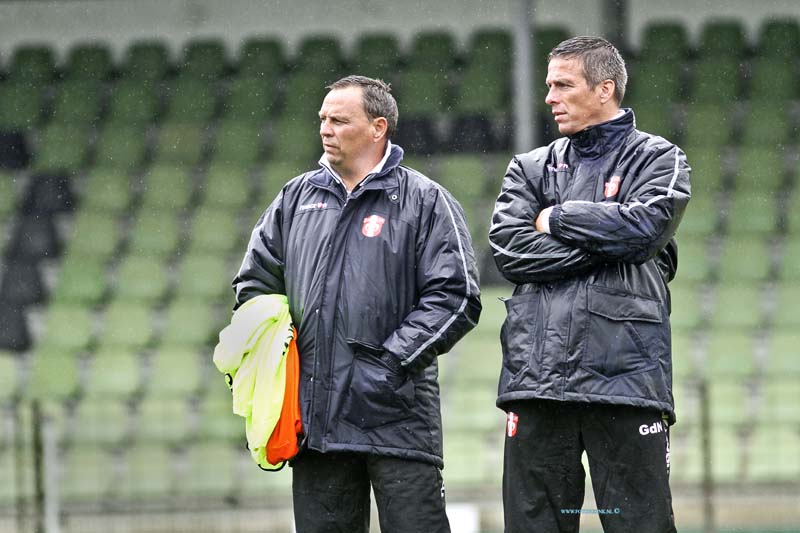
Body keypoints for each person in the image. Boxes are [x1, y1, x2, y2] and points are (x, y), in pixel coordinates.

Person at [233, 75, 481, 533]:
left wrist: (387, 364)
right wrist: (279, 352)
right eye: (322, 119)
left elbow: (457, 296)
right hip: (316, 422)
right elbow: (253, 285)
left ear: (377, 127)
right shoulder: (294, 198)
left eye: (339, 120)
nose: (325, 129)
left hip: (397, 419)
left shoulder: (425, 200)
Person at [489, 37, 690, 532]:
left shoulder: (660, 158)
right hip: (537, 381)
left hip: (626, 380)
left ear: (605, 89)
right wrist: (607, 238)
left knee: (637, 524)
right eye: (548, 85)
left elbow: (644, 231)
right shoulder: (530, 166)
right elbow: (509, 250)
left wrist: (555, 216)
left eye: (563, 85)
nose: (549, 97)